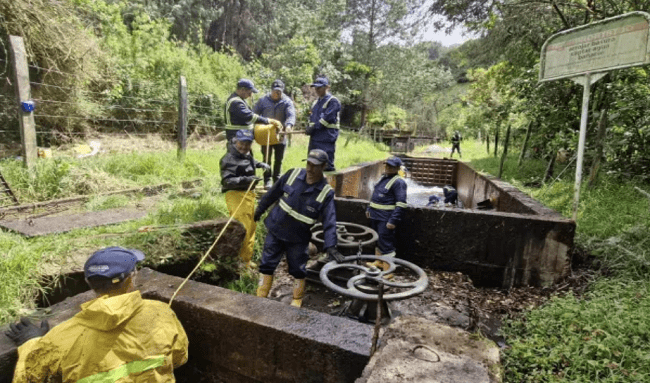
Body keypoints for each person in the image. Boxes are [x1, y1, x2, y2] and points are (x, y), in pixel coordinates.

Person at [6, 246, 189, 383]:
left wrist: (31, 343)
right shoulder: (160, 313)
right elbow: (180, 357)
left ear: (88, 282)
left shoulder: (63, 337)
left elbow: (28, 377)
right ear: (132, 277)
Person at [253, 149, 344, 307]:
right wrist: (260, 209)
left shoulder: (325, 192)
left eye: (315, 166)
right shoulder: (293, 174)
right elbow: (273, 193)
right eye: (308, 164)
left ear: (323, 166)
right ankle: (260, 296)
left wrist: (331, 246)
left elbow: (330, 220)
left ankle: (296, 299)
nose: (310, 169)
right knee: (267, 264)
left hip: (298, 238)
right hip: (276, 228)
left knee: (298, 268)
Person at [220, 129, 271, 267]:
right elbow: (227, 181)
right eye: (241, 143)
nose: (244, 147)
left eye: (247, 144)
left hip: (248, 194)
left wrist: (259, 164)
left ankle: (246, 260)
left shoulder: (246, 153)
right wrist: (247, 179)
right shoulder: (228, 159)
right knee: (243, 228)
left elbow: (248, 160)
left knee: (252, 226)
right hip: (235, 195)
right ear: (236, 141)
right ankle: (239, 263)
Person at [253, 79, 296, 189]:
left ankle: (277, 180)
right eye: (274, 91)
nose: (276, 94)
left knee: (279, 159)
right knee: (266, 157)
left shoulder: (287, 101)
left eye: (279, 92)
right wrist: (259, 124)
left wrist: (289, 125)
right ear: (271, 90)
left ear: (282, 91)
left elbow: (291, 115)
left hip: (280, 135)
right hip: (266, 134)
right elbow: (254, 114)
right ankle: (267, 180)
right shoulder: (263, 100)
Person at [366, 157, 408, 269]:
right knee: (378, 240)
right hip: (375, 216)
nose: (388, 168)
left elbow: (401, 204)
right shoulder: (384, 178)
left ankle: (388, 270)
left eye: (392, 166)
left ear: (398, 168)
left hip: (385, 218)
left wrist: (393, 220)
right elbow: (375, 196)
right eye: (387, 165)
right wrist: (368, 209)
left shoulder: (398, 182)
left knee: (386, 243)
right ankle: (379, 262)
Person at [224, 78, 282, 142]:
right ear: (242, 90)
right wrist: (269, 120)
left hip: (240, 136)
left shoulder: (239, 100)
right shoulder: (236, 102)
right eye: (249, 92)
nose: (250, 95)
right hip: (237, 137)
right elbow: (250, 117)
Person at [306, 76, 341, 172]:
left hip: (326, 138)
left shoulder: (333, 101)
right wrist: (308, 127)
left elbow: (326, 118)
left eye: (319, 87)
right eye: (315, 88)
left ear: (327, 87)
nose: (317, 90)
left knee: (326, 166)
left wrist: (313, 127)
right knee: (312, 165)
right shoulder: (315, 103)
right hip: (315, 138)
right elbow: (312, 118)